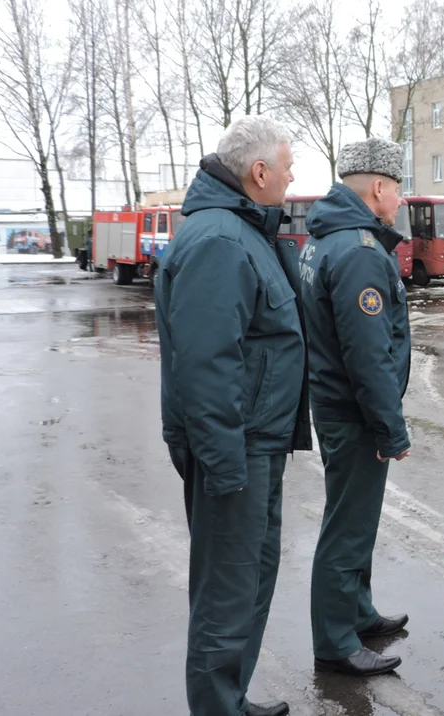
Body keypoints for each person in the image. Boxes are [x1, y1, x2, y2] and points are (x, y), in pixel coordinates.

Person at [155, 115, 311, 716]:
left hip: (256, 441)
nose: (293, 177)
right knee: (226, 593)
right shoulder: (221, 242)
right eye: (288, 167)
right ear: (260, 171)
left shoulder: (244, 232)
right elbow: (207, 365)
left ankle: (229, 700)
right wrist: (223, 466)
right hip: (236, 448)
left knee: (248, 581)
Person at [297, 137, 412, 676]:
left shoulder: (325, 239)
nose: (401, 200)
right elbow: (368, 355)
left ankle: (357, 612)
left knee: (355, 519)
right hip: (354, 411)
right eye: (398, 189)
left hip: (337, 403)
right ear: (379, 188)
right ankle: (335, 640)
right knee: (348, 526)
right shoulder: (360, 251)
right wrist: (391, 428)